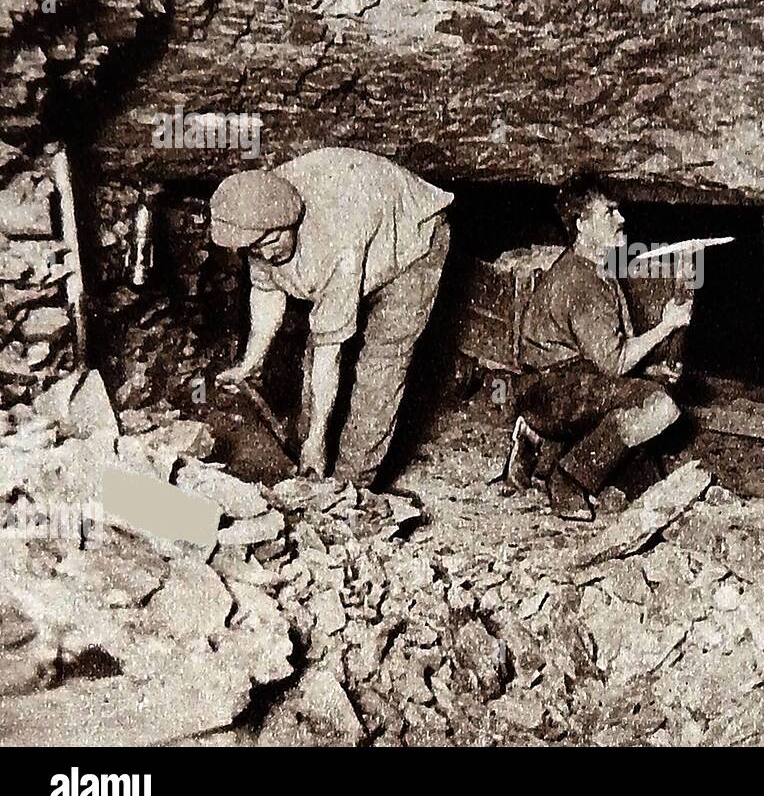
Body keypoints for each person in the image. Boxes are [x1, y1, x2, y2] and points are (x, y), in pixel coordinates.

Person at [209, 147, 453, 488]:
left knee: (379, 368)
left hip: (413, 240)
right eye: (255, 248)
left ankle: (351, 485)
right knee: (316, 352)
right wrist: (250, 362)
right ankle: (305, 463)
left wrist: (318, 441)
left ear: (290, 222)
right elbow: (267, 294)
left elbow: (331, 352)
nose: (265, 253)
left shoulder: (333, 241)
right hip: (362, 224)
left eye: (272, 241)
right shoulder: (256, 217)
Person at [507, 180, 692, 520]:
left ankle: (546, 452)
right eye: (609, 212)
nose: (621, 218)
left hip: (562, 384)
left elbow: (601, 354)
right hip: (549, 393)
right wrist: (668, 325)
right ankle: (567, 479)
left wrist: (651, 370)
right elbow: (615, 361)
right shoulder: (582, 281)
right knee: (656, 405)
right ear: (582, 225)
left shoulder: (597, 269)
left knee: (645, 479)